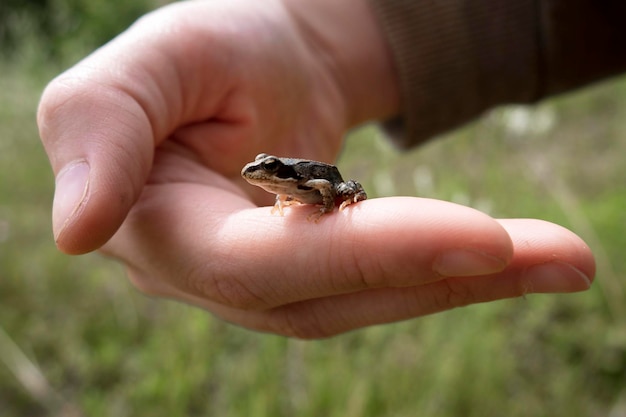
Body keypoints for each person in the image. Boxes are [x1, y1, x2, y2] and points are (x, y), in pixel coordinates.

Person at [38, 0, 617, 338]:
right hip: (309, 177)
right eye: (261, 172)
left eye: (266, 170)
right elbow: (287, 196)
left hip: (329, 181)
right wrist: (314, 37)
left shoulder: (296, 181)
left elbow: (322, 184)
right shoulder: (279, 190)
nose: (260, 175)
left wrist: (314, 198)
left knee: (346, 192)